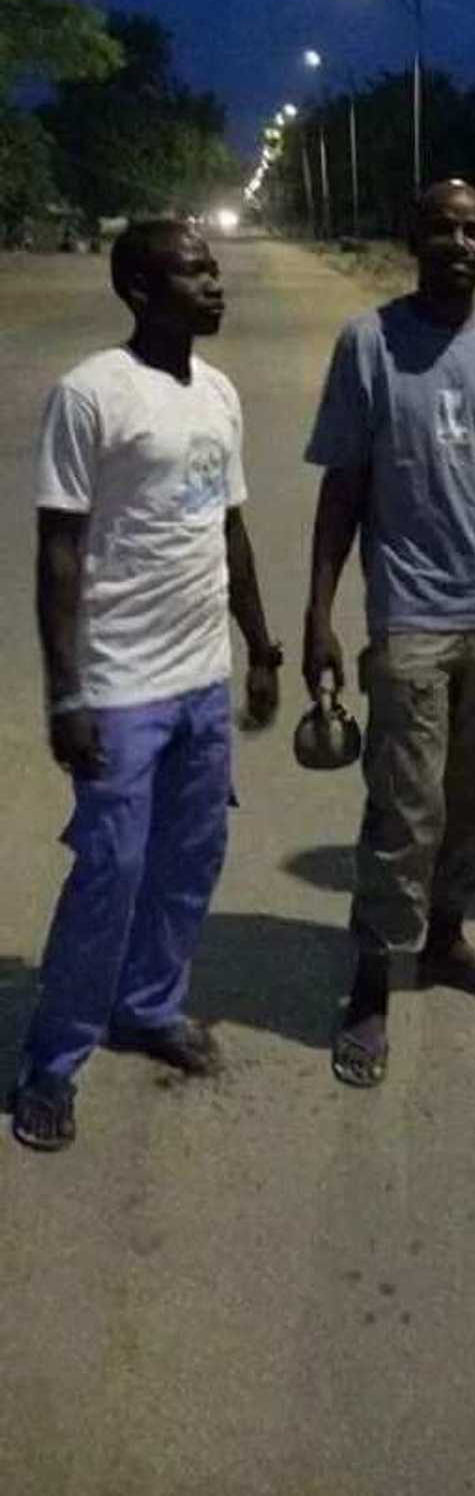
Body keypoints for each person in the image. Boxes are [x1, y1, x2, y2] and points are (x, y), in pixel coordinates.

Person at [12, 220, 281, 1152]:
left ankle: (148, 1006)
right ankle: (54, 1061)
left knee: (189, 859)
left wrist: (261, 646)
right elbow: (58, 550)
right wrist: (66, 694)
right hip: (121, 683)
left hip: (202, 675)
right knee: (111, 870)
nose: (214, 285)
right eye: (193, 273)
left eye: (213, 270)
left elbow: (229, 528)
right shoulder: (91, 394)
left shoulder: (219, 392)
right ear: (138, 291)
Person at [303, 180, 475, 1090]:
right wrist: (319, 616)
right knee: (404, 811)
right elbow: (343, 487)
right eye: (443, 228)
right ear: (412, 240)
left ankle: (446, 940)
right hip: (410, 618)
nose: (460, 242)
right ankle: (373, 978)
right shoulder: (368, 343)